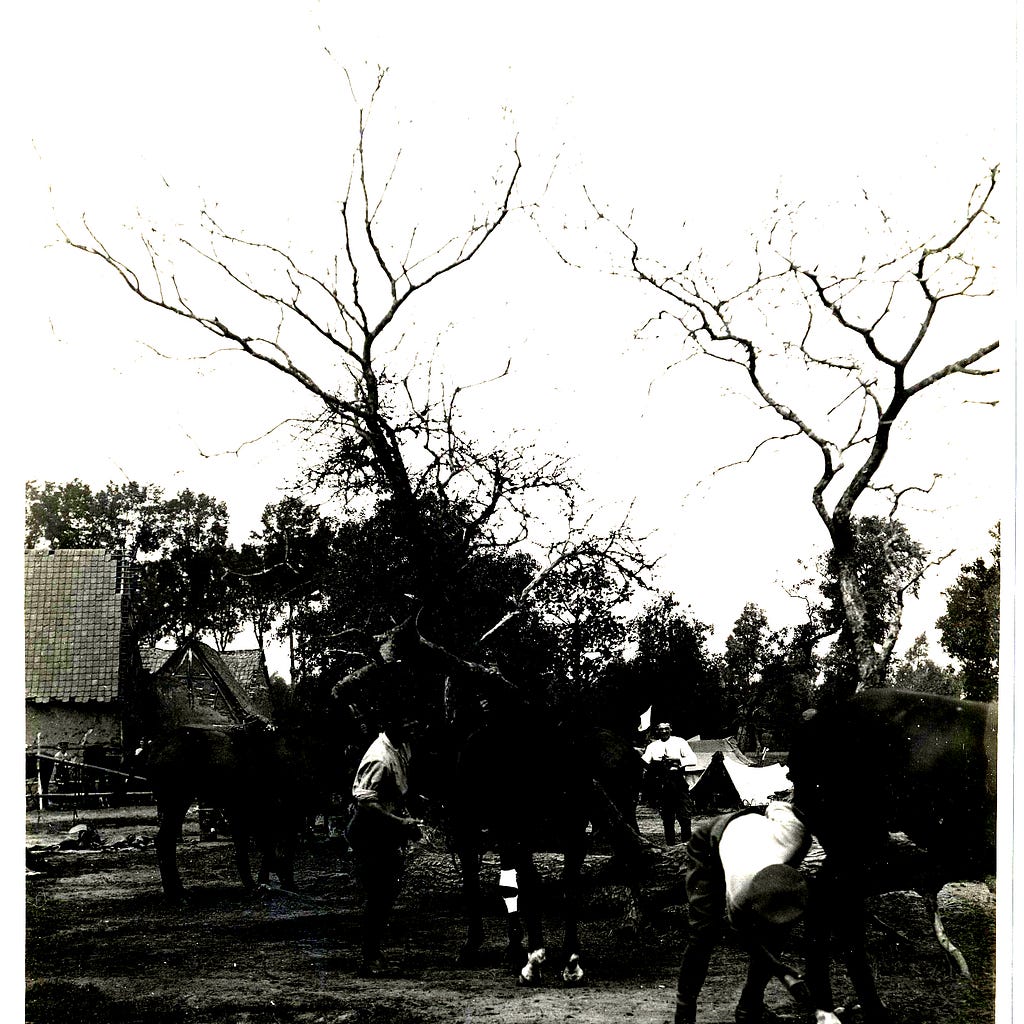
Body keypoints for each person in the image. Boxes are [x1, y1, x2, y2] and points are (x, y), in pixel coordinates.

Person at [674, 800, 813, 1024]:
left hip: (752, 838)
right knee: (703, 933)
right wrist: (782, 971)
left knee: (776, 934)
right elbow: (744, 937)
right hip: (710, 842)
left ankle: (750, 1008)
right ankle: (684, 1010)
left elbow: (778, 805)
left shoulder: (796, 834)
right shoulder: (740, 891)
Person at [345, 709, 423, 976]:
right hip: (369, 832)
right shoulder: (379, 757)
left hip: (385, 831)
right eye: (409, 722)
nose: (414, 728)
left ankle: (375, 952)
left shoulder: (401, 747)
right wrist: (400, 823)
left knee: (386, 894)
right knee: (378, 895)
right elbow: (366, 803)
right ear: (394, 725)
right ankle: (369, 958)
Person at [641, 722, 697, 844]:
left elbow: (693, 759)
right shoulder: (653, 746)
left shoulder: (680, 742)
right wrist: (655, 764)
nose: (664, 732)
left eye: (666, 729)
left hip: (677, 780)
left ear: (671, 729)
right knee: (667, 817)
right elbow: (644, 762)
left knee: (684, 816)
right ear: (657, 731)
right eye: (661, 730)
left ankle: (686, 844)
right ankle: (670, 845)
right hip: (662, 782)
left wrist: (676, 760)